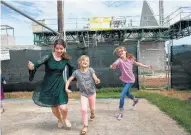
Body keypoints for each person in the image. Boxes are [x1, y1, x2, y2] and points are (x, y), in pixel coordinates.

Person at [28, 39, 75, 128]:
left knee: (63, 108)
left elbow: (73, 69)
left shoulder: (66, 59)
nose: (59, 50)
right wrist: (32, 66)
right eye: (57, 48)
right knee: (54, 108)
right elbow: (37, 64)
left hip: (60, 85)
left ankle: (65, 118)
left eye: (61, 48)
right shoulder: (48, 57)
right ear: (54, 48)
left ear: (64, 48)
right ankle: (59, 119)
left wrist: (75, 78)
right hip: (48, 85)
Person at [110, 46, 152, 120]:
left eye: (121, 51)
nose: (120, 52)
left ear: (125, 51)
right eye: (118, 52)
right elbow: (114, 64)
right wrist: (112, 66)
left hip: (131, 80)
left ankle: (121, 113)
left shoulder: (130, 59)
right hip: (124, 80)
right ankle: (135, 99)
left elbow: (137, 64)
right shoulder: (119, 60)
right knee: (127, 93)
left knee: (122, 95)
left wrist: (147, 66)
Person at [65, 55, 100, 135]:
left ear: (89, 63)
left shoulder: (91, 70)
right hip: (83, 94)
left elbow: (95, 77)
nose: (85, 62)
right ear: (79, 62)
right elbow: (69, 80)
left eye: (87, 61)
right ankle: (85, 126)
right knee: (84, 109)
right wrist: (66, 88)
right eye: (83, 60)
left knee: (92, 108)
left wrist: (97, 80)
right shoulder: (76, 72)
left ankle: (92, 113)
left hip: (92, 93)